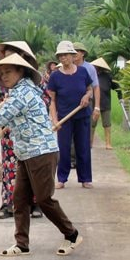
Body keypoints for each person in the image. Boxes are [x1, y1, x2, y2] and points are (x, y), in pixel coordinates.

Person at [0, 53, 83, 256]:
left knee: (43, 199)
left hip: (42, 152)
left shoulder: (24, 93)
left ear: (21, 72)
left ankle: (72, 235)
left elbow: (1, 117)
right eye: (2, 73)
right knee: (19, 199)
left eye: (9, 72)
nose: (4, 76)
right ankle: (22, 244)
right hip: (25, 153)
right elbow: (7, 119)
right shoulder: (16, 92)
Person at [0, 41, 42, 219]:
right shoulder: (6, 81)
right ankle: (8, 203)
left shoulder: (34, 82)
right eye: (5, 56)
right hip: (8, 135)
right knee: (9, 167)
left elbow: (42, 105)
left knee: (31, 168)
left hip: (28, 133)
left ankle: (35, 203)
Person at [48, 40, 94, 188]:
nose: (63, 58)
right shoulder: (55, 76)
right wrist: (55, 120)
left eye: (66, 55)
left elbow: (90, 89)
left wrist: (87, 97)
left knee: (83, 147)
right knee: (64, 149)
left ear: (73, 56)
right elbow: (52, 101)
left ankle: (85, 179)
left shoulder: (82, 72)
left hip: (82, 116)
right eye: (60, 56)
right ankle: (61, 179)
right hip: (64, 118)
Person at [91, 58, 117, 150]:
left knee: (107, 124)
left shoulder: (108, 76)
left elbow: (117, 87)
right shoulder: (91, 76)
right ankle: (90, 143)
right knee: (92, 124)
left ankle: (108, 143)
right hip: (93, 104)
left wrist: (121, 97)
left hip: (105, 103)